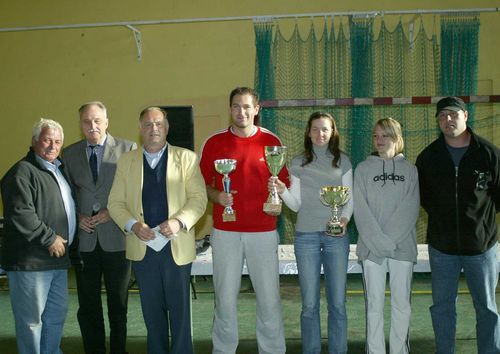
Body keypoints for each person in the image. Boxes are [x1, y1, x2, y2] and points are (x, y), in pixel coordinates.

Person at [108, 106, 207, 354]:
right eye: (149, 124)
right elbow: (115, 203)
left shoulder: (187, 158)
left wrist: (179, 221)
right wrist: (133, 225)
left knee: (180, 313)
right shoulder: (126, 161)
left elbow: (198, 200)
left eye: (159, 124)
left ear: (167, 127)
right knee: (152, 313)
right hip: (143, 248)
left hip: (176, 247)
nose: (154, 129)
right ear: (140, 128)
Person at [199, 87, 288, 354]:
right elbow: (200, 186)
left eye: (247, 106)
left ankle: (272, 350)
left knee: (269, 299)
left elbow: (284, 184)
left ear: (257, 109)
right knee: (224, 299)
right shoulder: (213, 143)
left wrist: (277, 201)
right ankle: (223, 350)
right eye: (236, 106)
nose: (242, 112)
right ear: (230, 109)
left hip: (263, 231)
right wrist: (217, 195)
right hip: (225, 231)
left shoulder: (272, 142)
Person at [415, 96, 500, 354]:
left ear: (465, 115)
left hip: (482, 247)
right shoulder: (428, 157)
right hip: (442, 249)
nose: (447, 120)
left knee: (486, 307)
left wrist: (480, 226)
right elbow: (424, 198)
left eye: (452, 114)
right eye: (442, 116)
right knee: (442, 307)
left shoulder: (489, 154)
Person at [271, 111, 353, 354]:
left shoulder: (343, 161)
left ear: (332, 132)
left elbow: (350, 200)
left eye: (325, 129)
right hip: (305, 237)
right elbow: (295, 205)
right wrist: (283, 190)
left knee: (338, 303)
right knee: (309, 305)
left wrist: (344, 220)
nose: (320, 134)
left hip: (336, 237)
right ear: (308, 132)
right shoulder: (297, 162)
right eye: (315, 129)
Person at [0, 118, 81, 354]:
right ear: (34, 141)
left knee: (55, 317)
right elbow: (20, 212)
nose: (52, 146)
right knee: (31, 323)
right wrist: (49, 238)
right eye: (47, 140)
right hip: (31, 263)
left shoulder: (58, 170)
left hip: (57, 261)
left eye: (57, 141)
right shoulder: (21, 172)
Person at [62, 101, 136, 354]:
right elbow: (66, 195)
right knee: (88, 305)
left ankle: (118, 350)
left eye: (97, 121)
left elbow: (135, 193)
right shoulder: (69, 154)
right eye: (86, 121)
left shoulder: (128, 149)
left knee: (119, 304)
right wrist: (77, 216)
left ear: (106, 122)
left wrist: (112, 213)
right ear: (80, 124)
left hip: (117, 239)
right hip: (85, 241)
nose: (92, 125)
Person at [354, 118, 420, 354]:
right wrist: (380, 243)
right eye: (376, 136)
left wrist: (388, 242)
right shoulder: (362, 169)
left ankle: (399, 350)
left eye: (386, 135)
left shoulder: (410, 170)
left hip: (402, 248)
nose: (380, 140)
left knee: (401, 305)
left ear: (397, 138)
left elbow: (410, 209)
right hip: (372, 249)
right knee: (374, 305)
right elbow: (360, 211)